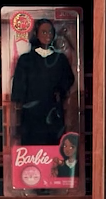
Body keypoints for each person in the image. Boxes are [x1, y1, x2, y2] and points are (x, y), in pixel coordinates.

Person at [11, 18, 76, 146]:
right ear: (36, 34)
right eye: (44, 32)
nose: (48, 35)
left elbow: (69, 79)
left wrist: (60, 91)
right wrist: (20, 105)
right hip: (31, 112)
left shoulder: (60, 59)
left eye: (50, 32)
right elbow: (18, 86)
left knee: (53, 145)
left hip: (53, 110)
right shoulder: (26, 60)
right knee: (32, 145)